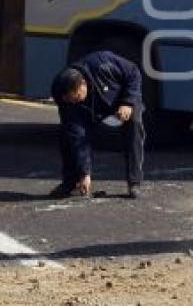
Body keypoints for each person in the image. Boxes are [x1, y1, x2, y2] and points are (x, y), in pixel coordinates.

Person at [49, 51, 146, 199]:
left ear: (83, 84)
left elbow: (133, 72)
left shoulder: (103, 63)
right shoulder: (63, 94)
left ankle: (134, 182)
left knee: (135, 124)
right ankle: (71, 182)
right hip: (89, 111)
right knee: (67, 133)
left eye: (77, 97)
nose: (74, 102)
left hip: (119, 97)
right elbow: (78, 135)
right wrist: (85, 173)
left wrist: (128, 102)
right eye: (70, 100)